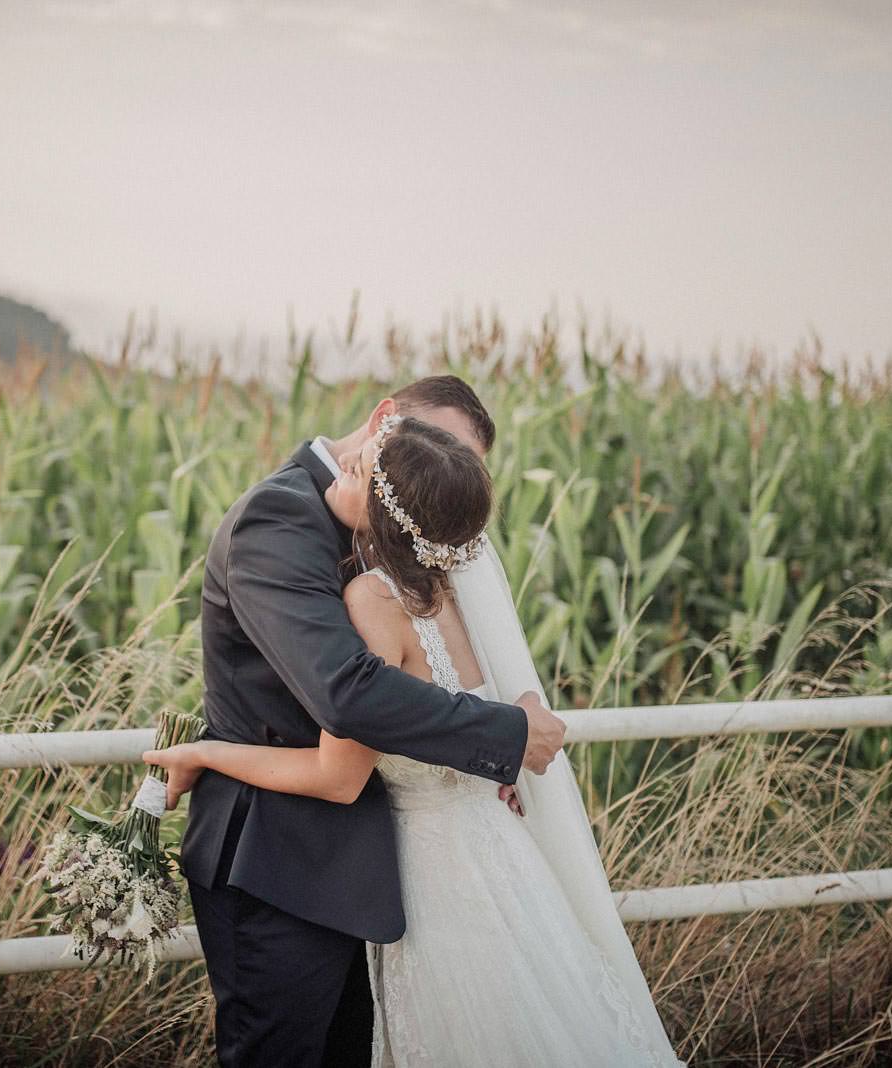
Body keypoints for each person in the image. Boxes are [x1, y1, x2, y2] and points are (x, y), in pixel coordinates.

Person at [149, 404, 685, 1067]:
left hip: (397, 873)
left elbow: (347, 737)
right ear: (388, 422)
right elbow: (354, 694)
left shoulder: (381, 596)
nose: (350, 466)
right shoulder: (291, 522)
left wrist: (203, 751)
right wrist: (505, 738)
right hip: (287, 864)